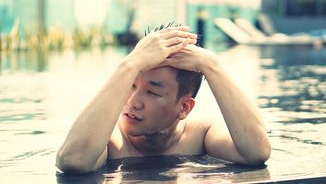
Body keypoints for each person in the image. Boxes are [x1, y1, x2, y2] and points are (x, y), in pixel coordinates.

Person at [56, 23, 271, 174]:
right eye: (131, 84)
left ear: (184, 107)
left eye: (152, 92)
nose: (132, 102)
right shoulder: (111, 140)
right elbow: (73, 161)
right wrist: (130, 64)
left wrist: (211, 65)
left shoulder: (200, 137)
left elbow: (256, 153)